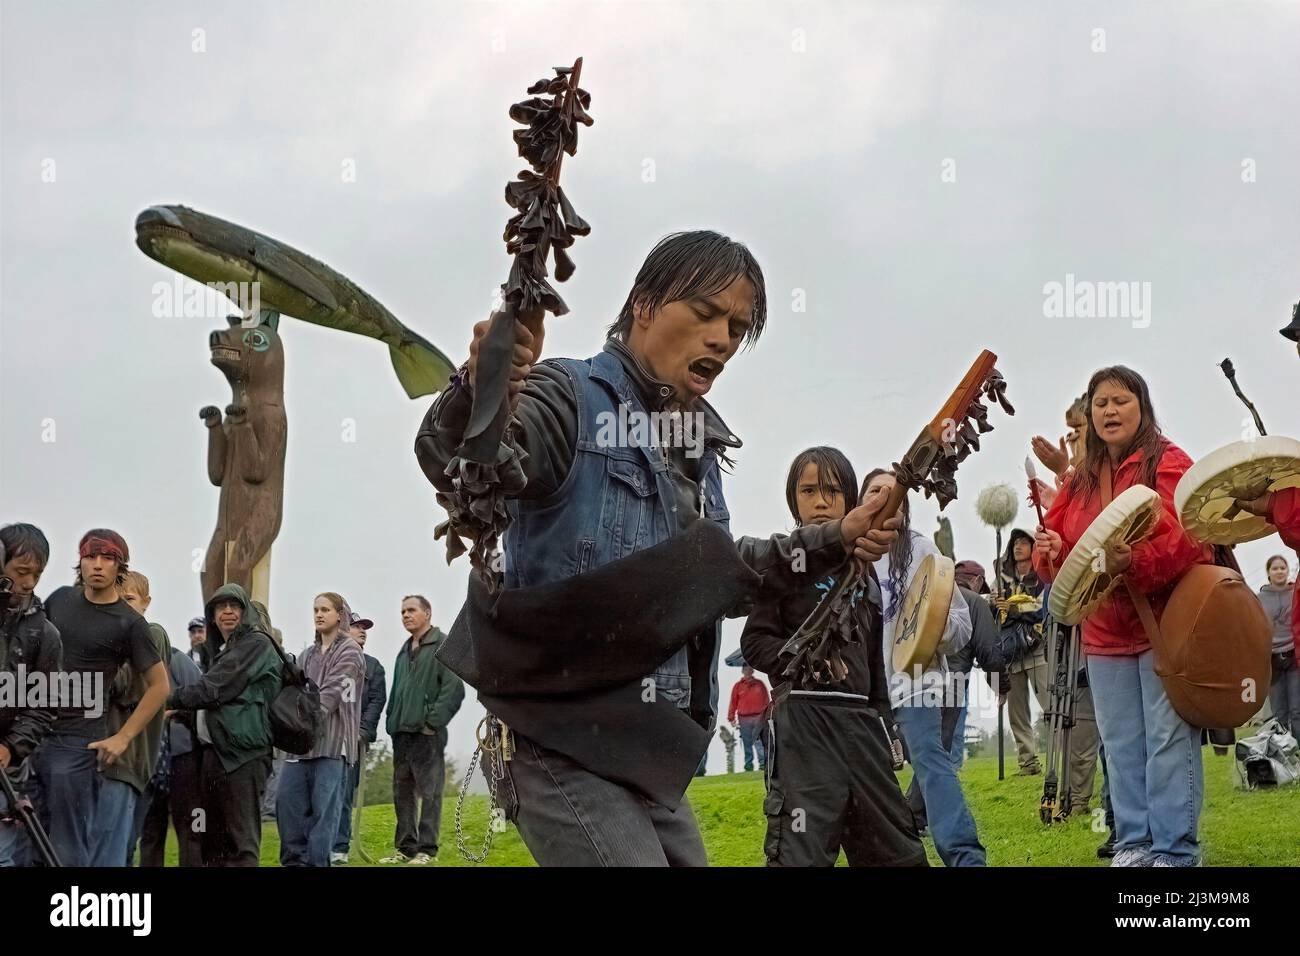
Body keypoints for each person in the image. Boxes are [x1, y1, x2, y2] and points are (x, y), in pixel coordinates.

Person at [414, 231, 898, 866]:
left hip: (651, 747)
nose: (722, 339)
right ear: (643, 305)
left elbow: (726, 573)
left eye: (736, 325)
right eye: (704, 314)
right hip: (560, 734)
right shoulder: (568, 396)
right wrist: (482, 392)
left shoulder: (699, 449)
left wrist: (838, 538)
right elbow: (461, 459)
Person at [1034, 366, 1211, 867]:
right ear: (1090, 413)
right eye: (1100, 403)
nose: (1109, 411)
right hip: (1105, 631)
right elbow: (1062, 556)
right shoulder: (1082, 479)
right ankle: (1134, 845)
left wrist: (1132, 560)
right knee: (1122, 745)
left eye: (1120, 400)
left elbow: (1192, 535)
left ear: (1143, 406)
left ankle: (1175, 851)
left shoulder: (1170, 461)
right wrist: (1050, 551)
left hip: (1163, 625)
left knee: (1167, 741)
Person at [741, 447, 926, 867]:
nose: (821, 501)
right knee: (800, 853)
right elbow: (755, 642)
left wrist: (887, 724)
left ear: (849, 499)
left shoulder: (865, 571)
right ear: (794, 500)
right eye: (808, 490)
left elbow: (875, 664)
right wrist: (801, 662)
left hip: (862, 727)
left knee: (898, 852)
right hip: (804, 727)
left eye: (832, 489)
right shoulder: (783, 567)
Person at [861, 468, 980, 867]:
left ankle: (965, 858)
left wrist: (932, 626)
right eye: (874, 491)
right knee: (864, 782)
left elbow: (961, 628)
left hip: (917, 685)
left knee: (929, 761)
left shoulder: (921, 551)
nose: (883, 499)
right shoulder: (847, 555)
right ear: (860, 501)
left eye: (893, 494)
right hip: (861, 693)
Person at [35, 529, 168, 867]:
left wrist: (123, 737)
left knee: (69, 848)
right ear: (79, 562)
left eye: (107, 558)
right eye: (90, 556)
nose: (97, 565)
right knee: (27, 840)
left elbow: (160, 686)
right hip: (34, 731)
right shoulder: (59, 599)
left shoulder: (130, 622)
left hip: (80, 741)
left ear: (120, 566)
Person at [167, 583, 282, 866]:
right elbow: (214, 705)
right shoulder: (222, 650)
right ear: (212, 615)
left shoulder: (257, 644)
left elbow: (215, 689)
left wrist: (165, 700)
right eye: (220, 607)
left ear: (246, 613)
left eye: (234, 606)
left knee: (241, 844)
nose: (227, 612)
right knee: (213, 844)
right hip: (215, 755)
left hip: (243, 756)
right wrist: (181, 714)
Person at [277, 592, 364, 867]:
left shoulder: (351, 651)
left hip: (333, 747)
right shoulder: (305, 655)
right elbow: (291, 694)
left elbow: (328, 697)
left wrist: (295, 715)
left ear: (340, 615)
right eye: (315, 609)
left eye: (325, 609)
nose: (318, 614)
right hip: (300, 749)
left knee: (323, 819)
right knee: (287, 808)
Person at [378, 595, 463, 865]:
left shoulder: (443, 644)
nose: (405, 615)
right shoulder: (404, 650)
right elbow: (396, 692)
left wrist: (431, 723)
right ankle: (405, 850)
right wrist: (392, 722)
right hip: (401, 734)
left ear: (427, 612)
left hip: (428, 735)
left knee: (430, 792)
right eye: (402, 611)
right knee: (402, 793)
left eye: (411, 610)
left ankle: (427, 850)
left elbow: (454, 690)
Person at [95, 570, 170, 866]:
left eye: (129, 599)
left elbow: (124, 686)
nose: (121, 606)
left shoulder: (152, 634)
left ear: (146, 602)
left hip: (128, 758)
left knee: (113, 851)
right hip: (104, 757)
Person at [0, 524, 63, 868]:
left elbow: (43, 706)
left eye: (36, 574)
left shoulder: (45, 633)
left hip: (7, 767)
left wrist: (10, 747)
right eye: (20, 571)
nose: (28, 582)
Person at [135, 615, 204, 867]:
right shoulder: (137, 667)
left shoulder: (179, 661)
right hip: (150, 760)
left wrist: (170, 711)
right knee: (150, 830)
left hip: (182, 758)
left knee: (191, 828)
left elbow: (200, 700)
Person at [332, 611, 386, 864]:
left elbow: (376, 701)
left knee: (344, 793)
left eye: (365, 627)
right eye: (356, 626)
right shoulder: (328, 660)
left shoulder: (373, 666)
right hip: (327, 738)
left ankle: (339, 847)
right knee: (323, 792)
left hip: (353, 740)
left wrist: (363, 731)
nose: (362, 631)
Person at [996, 529, 1049, 775]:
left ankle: (1064, 754)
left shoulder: (1042, 576)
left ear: (1032, 548)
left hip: (1037, 649)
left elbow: (1041, 609)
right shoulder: (1001, 577)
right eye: (1015, 543)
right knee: (1017, 714)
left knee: (1051, 706)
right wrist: (998, 605)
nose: (1018, 547)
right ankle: (1028, 763)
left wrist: (1014, 607)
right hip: (1011, 654)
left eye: (1023, 543)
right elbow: (994, 607)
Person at [1258, 555, 1298, 739]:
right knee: (1279, 712)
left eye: (1283, 567)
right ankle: (1283, 752)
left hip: (1294, 657)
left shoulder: (1295, 593)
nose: (1279, 571)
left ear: (1288, 570)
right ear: (1268, 573)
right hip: (1272, 660)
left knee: (1297, 710)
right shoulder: (1259, 599)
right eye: (1275, 568)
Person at [727, 665, 770, 772]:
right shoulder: (738, 686)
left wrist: (768, 715)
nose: (748, 671)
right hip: (743, 718)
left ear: (752, 671)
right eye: (746, 669)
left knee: (758, 740)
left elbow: (766, 701)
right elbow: (733, 702)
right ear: (743, 671)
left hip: (759, 717)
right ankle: (748, 764)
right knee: (747, 742)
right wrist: (731, 717)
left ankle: (762, 763)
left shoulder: (760, 684)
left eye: (750, 669)